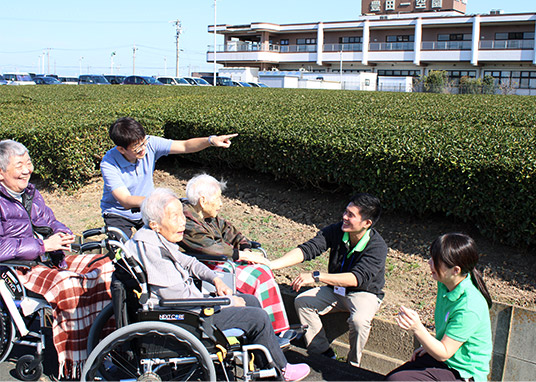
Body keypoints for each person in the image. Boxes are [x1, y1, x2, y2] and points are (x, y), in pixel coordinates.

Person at [125, 188, 310, 381]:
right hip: (185, 318)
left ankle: (267, 367)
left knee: (250, 300)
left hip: (188, 308)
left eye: (182, 214)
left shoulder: (154, 238)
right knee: (258, 317)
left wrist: (215, 279)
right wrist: (226, 302)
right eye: (175, 217)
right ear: (155, 224)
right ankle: (281, 370)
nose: (182, 222)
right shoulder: (154, 252)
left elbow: (189, 262)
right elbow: (177, 298)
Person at [0, 140, 113, 379]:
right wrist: (42, 245)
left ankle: (106, 343)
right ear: (1, 172)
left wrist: (62, 232)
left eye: (28, 162)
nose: (27, 169)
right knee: (70, 284)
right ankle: (75, 364)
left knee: (104, 266)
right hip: (19, 268)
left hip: (47, 258)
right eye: (19, 164)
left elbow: (49, 221)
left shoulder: (30, 192)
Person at [270, 193, 388, 367]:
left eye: (351, 215)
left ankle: (352, 365)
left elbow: (356, 278)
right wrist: (273, 264)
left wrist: (316, 276)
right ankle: (323, 354)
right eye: (345, 212)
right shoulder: (337, 230)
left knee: (359, 321)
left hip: (364, 293)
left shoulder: (378, 247)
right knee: (303, 302)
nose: (344, 217)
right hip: (335, 290)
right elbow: (309, 248)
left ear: (367, 223)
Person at [179, 173, 290, 334]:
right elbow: (210, 248)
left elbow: (230, 231)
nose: (221, 203)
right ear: (203, 201)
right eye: (217, 198)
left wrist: (245, 247)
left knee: (261, 269)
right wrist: (243, 256)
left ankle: (276, 328)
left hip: (222, 261)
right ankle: (272, 330)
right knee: (259, 276)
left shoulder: (209, 216)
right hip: (206, 266)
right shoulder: (187, 220)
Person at [100, 116, 237, 239]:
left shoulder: (150, 143)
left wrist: (210, 140)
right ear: (121, 149)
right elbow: (125, 200)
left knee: (164, 242)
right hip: (119, 214)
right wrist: (159, 200)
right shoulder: (109, 163)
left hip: (148, 208)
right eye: (137, 148)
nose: (143, 149)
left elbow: (184, 145)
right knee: (122, 253)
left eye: (143, 142)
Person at [385, 233, 492, 381]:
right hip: (446, 361)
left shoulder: (469, 306)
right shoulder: (446, 284)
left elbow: (445, 352)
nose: (429, 262)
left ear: (456, 270)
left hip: (463, 373)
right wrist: (430, 347)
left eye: (435, 261)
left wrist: (418, 328)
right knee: (391, 378)